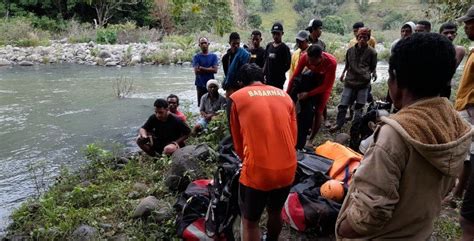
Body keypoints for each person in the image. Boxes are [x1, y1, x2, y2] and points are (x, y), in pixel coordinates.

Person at [336, 33, 473, 240]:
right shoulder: (457, 125)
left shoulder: (394, 136)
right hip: (419, 232)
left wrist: (341, 227)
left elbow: (370, 215)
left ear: (396, 81)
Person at [229, 63, 297, 241]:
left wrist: (250, 160)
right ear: (264, 79)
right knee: (275, 212)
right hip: (288, 167)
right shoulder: (285, 96)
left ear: (241, 82)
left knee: (250, 221)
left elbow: (237, 144)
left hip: (258, 171)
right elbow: (294, 137)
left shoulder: (237, 98)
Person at [287, 44, 337, 149]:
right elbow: (295, 76)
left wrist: (308, 94)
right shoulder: (305, 57)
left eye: (312, 61)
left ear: (320, 58)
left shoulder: (331, 63)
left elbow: (325, 86)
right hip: (312, 78)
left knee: (319, 111)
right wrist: (287, 94)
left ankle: (311, 139)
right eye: (308, 61)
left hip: (325, 83)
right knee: (304, 105)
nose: (309, 63)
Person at [331, 28, 377, 132]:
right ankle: (339, 124)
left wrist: (374, 73)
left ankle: (356, 127)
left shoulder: (372, 52)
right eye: (360, 37)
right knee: (343, 105)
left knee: (359, 106)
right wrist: (342, 74)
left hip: (364, 82)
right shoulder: (350, 51)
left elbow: (373, 66)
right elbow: (347, 65)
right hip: (350, 81)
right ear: (357, 38)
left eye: (364, 37)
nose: (362, 39)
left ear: (368, 38)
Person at [456, 6, 474, 240]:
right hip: (466, 107)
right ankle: (462, 190)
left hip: (471, 110)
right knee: (466, 152)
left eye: (469, 22)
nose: (466, 26)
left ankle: (464, 191)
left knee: (468, 152)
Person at [439, 22, 467, 99]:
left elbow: (450, 69)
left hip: (445, 87)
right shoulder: (434, 48)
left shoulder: (459, 50)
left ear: (456, 34)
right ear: (440, 34)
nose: (449, 35)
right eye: (446, 33)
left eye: (452, 33)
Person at [263, 23, 291, 89]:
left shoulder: (284, 48)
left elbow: (288, 65)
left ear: (282, 33)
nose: (276, 36)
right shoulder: (269, 46)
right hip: (268, 80)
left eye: (278, 34)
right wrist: (263, 74)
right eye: (274, 33)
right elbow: (266, 61)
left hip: (278, 82)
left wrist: (279, 73)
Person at [222, 32, 250, 97]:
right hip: (230, 87)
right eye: (233, 44)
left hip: (242, 86)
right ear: (229, 43)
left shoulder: (244, 55)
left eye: (238, 43)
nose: (236, 46)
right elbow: (227, 74)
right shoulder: (225, 58)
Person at [192, 37, 218, 107]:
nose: (204, 45)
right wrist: (209, 68)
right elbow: (196, 71)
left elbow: (215, 70)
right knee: (201, 105)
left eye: (205, 43)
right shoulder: (196, 57)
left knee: (213, 104)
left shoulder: (214, 56)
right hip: (200, 84)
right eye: (202, 43)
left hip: (211, 85)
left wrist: (201, 68)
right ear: (199, 45)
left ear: (208, 44)